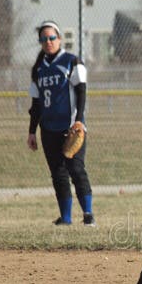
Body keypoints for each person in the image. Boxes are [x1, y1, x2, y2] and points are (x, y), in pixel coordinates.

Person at [27, 20, 95, 227]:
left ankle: (88, 214)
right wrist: (31, 131)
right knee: (57, 172)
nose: (48, 42)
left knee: (76, 169)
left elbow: (82, 91)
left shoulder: (72, 61)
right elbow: (36, 104)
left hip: (71, 127)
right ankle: (65, 217)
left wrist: (79, 120)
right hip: (48, 128)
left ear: (59, 39)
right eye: (44, 39)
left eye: (52, 37)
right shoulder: (38, 68)